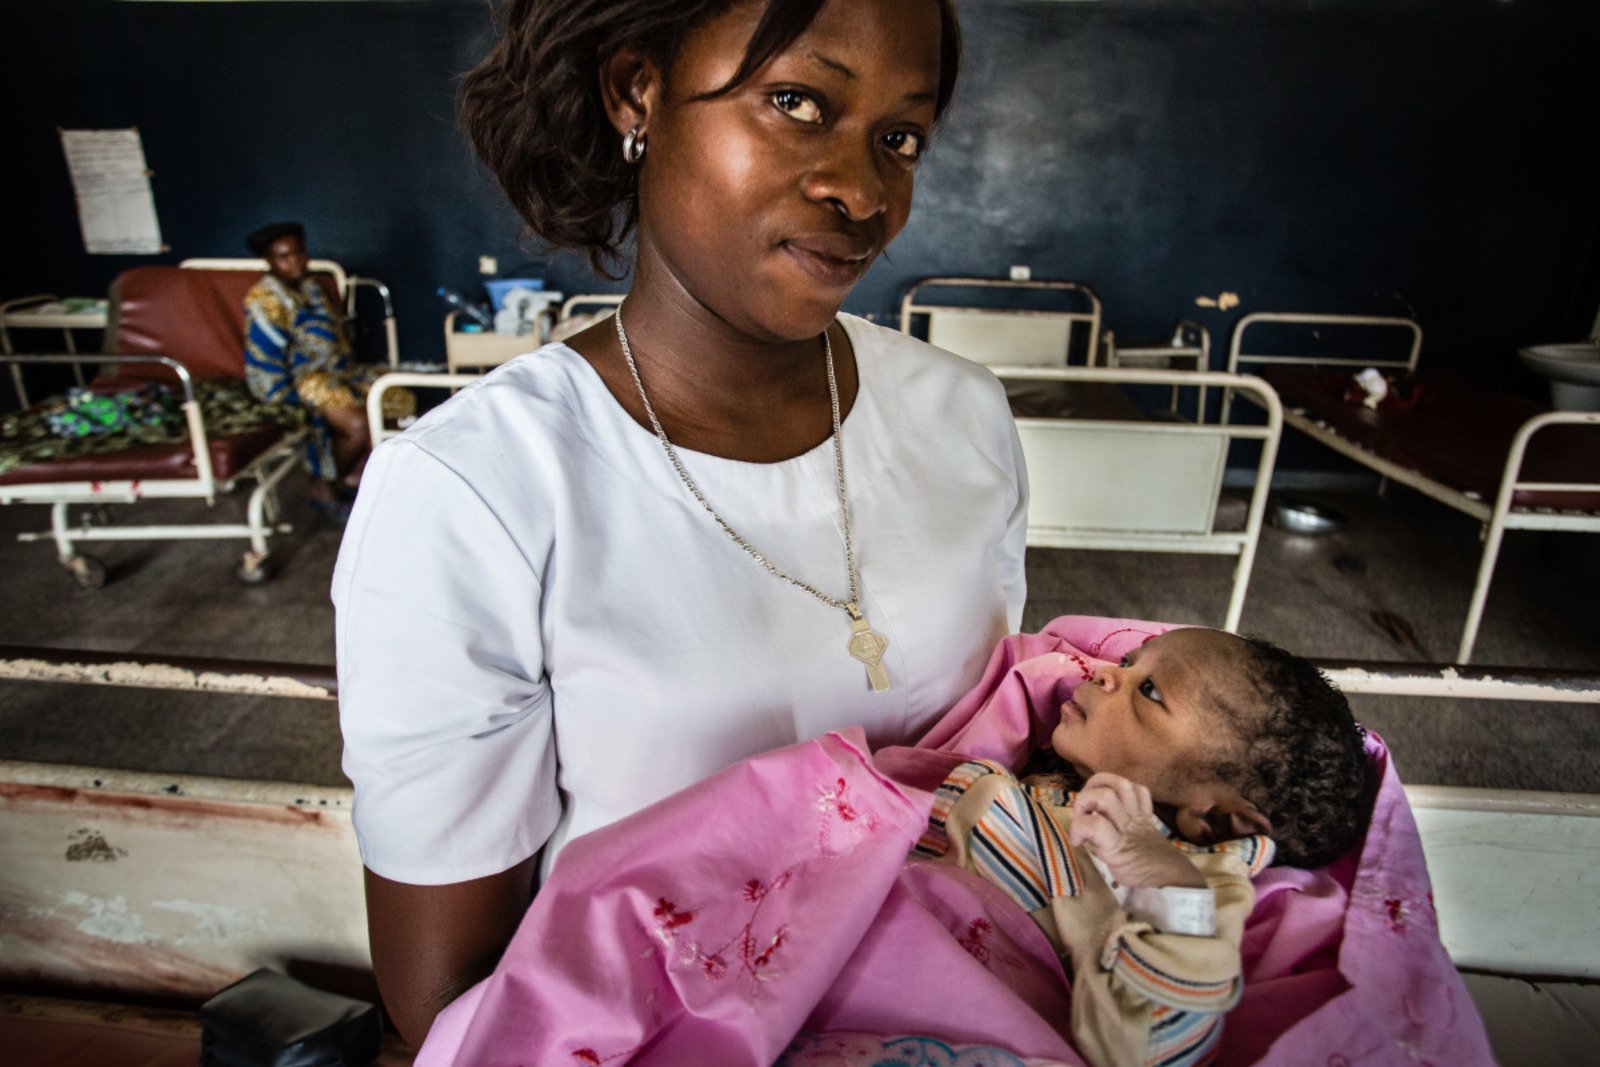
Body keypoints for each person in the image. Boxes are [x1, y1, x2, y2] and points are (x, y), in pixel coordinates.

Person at [333, 0, 1023, 1047]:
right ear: (637, 93)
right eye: (796, 102)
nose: (861, 190)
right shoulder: (479, 490)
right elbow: (453, 995)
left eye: (899, 137)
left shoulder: (962, 418)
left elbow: (1002, 763)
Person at [916, 626, 1372, 1067]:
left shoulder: (1196, 887)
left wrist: (1166, 882)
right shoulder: (1061, 779)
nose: (1104, 674)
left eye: (1150, 691)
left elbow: (1157, 1050)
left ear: (1217, 819)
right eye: (1128, 661)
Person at [241, 221, 409, 519]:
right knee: (358, 425)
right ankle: (322, 484)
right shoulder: (264, 300)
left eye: (299, 252)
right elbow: (263, 355)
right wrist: (284, 399)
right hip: (302, 381)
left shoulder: (312, 288)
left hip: (339, 371)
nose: (295, 262)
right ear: (268, 260)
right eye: (283, 256)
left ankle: (357, 478)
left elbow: (336, 341)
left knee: (396, 398)